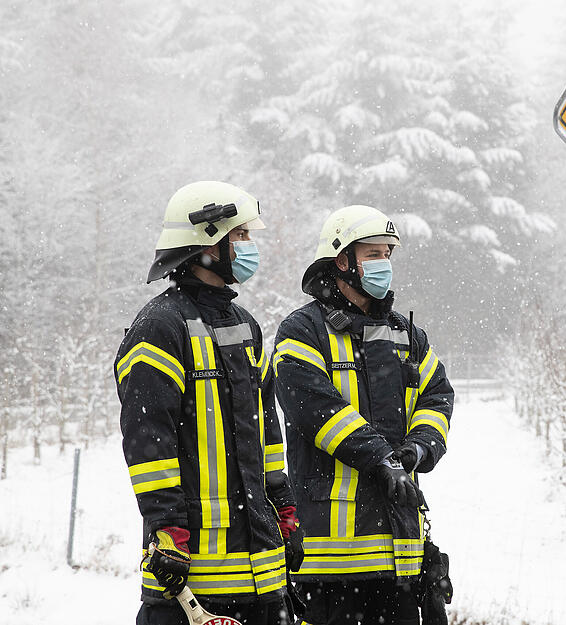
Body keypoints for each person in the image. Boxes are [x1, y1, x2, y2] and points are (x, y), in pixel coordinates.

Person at [114, 181, 303, 625]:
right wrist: (167, 527)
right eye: (239, 236)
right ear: (206, 240)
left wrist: (284, 503)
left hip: (263, 583)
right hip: (192, 586)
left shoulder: (245, 326)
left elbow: (265, 432)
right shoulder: (160, 328)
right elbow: (148, 441)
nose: (249, 247)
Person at [272, 204, 454, 625]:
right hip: (332, 565)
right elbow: (316, 408)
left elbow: (437, 396)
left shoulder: (405, 334)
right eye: (373, 254)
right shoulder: (303, 332)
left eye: (388, 255)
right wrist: (382, 458)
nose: (383, 264)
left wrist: (416, 451)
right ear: (342, 261)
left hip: (403, 557)